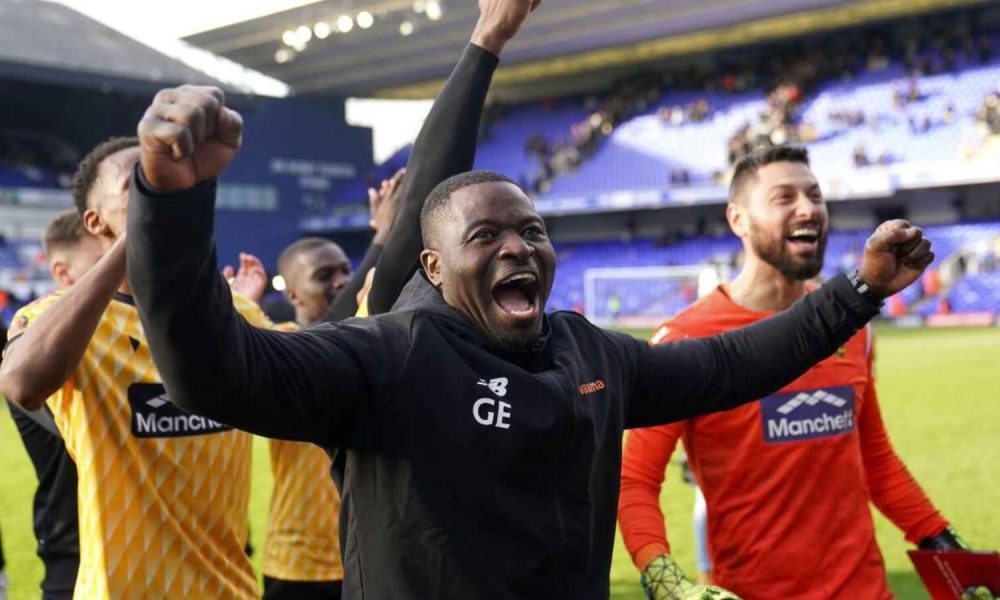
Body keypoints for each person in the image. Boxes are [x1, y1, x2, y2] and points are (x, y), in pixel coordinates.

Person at [128, 6, 931, 600]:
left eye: (531, 231)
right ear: (433, 267)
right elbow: (213, 374)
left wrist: (858, 290)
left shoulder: (588, 352)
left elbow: (728, 365)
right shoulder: (389, 356)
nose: (515, 247)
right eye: (485, 237)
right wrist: (170, 204)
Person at [618, 146, 964, 600]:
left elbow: (874, 459)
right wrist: (662, 576)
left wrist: (942, 542)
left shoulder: (852, 324)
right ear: (738, 219)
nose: (808, 208)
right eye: (784, 197)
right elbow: (635, 479)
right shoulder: (685, 338)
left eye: (815, 195)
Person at [0, 137, 272, 599]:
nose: (160, 190)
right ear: (96, 221)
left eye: (171, 183)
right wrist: (141, 232)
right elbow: (22, 384)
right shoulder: (56, 319)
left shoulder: (237, 314)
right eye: (139, 183)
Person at [259, 171, 403, 600]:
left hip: (366, 555)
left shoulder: (365, 340)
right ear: (294, 295)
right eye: (325, 275)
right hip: (299, 565)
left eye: (345, 270)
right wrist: (383, 238)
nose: (341, 280)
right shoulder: (281, 344)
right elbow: (325, 335)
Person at [4, 211, 98, 600]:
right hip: (73, 560)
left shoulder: (137, 335)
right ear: (62, 273)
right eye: (101, 262)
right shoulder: (30, 352)